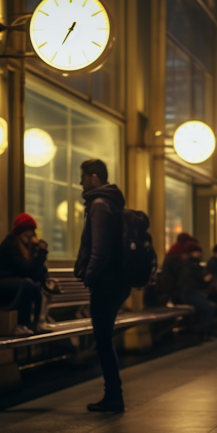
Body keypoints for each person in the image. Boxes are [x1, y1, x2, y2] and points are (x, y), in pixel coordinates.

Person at [75, 158, 129, 413]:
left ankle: (114, 395)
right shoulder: (113, 201)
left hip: (106, 281)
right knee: (104, 338)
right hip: (118, 280)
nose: (80, 182)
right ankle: (113, 393)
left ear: (94, 178)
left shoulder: (98, 204)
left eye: (83, 177)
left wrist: (89, 276)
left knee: (103, 339)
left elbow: (99, 249)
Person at [0, 213, 49, 336]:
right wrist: (40, 254)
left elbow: (38, 273)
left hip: (16, 283)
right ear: (20, 232)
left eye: (31, 230)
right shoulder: (11, 245)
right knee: (28, 283)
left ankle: (35, 324)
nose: (30, 234)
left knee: (36, 285)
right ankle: (21, 325)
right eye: (27, 230)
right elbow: (26, 270)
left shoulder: (29, 248)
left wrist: (40, 253)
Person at [178, 240, 217, 341]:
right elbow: (202, 279)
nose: (199, 253)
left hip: (192, 293)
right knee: (210, 307)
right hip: (189, 294)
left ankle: (208, 330)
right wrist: (207, 277)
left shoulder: (192, 264)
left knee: (216, 303)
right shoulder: (190, 265)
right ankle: (206, 333)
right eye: (197, 251)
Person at [161, 232, 196, 304]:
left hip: (172, 287)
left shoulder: (174, 251)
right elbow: (182, 275)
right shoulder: (178, 255)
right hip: (175, 289)